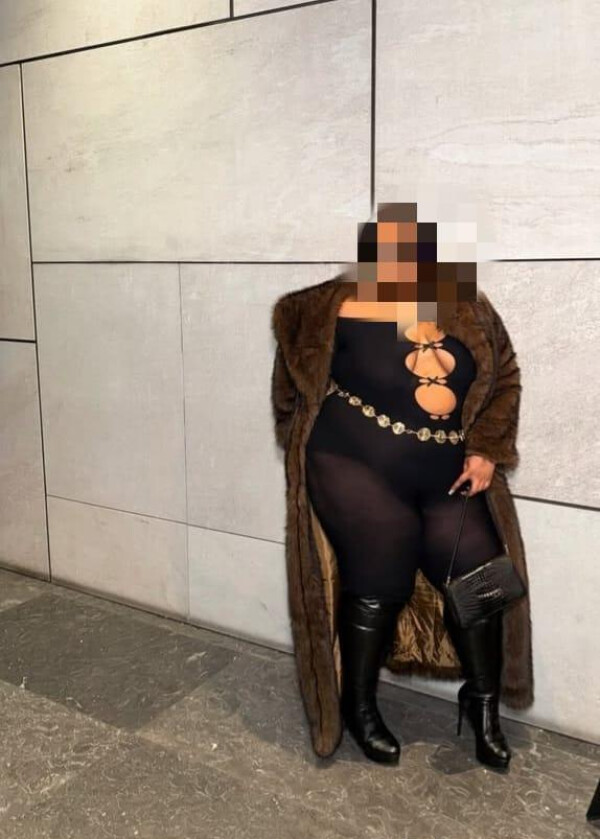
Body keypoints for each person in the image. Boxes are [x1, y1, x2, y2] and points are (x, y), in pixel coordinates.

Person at [270, 202, 533, 768]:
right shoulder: (316, 311)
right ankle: (359, 706)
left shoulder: (465, 305)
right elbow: (290, 399)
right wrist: (306, 450)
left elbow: (505, 377)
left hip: (445, 472)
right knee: (381, 570)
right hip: (352, 464)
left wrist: (487, 448)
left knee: (482, 579)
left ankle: (482, 706)